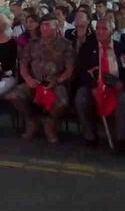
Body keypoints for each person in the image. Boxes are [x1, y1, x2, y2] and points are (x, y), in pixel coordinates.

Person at [6, 15, 74, 144]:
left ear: (56, 26)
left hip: (55, 83)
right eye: (42, 25)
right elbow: (23, 64)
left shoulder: (66, 44)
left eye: (48, 25)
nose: (44, 28)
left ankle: (50, 122)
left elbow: (70, 69)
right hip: (34, 82)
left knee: (62, 102)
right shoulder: (33, 44)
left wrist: (57, 80)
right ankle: (32, 120)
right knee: (14, 96)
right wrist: (28, 78)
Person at [73, 19, 125, 151]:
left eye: (104, 29)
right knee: (81, 98)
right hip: (94, 85)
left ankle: (121, 139)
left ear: (111, 30)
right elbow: (81, 71)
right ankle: (90, 135)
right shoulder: (88, 48)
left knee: (124, 100)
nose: (100, 31)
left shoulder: (121, 47)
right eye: (97, 28)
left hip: (115, 84)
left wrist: (122, 83)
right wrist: (92, 86)